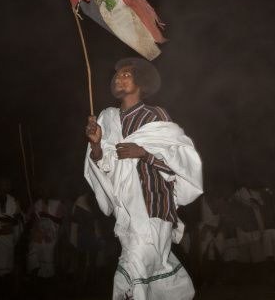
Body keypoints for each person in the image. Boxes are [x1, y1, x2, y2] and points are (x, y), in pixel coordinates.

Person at [84, 58, 203, 300]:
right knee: (150, 266)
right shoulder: (107, 119)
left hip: (154, 204)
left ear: (141, 82)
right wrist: (96, 145)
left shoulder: (155, 115)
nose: (118, 78)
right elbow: (104, 165)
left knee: (137, 263)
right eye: (117, 76)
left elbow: (181, 161)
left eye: (125, 75)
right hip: (126, 210)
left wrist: (145, 154)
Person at [26, 182, 63, 294]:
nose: (48, 191)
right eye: (45, 189)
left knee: (48, 267)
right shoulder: (34, 205)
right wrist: (32, 218)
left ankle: (46, 289)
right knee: (34, 264)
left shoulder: (55, 205)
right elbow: (28, 223)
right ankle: (35, 289)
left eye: (49, 189)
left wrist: (48, 216)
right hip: (36, 239)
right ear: (41, 192)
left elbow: (60, 221)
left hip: (49, 239)